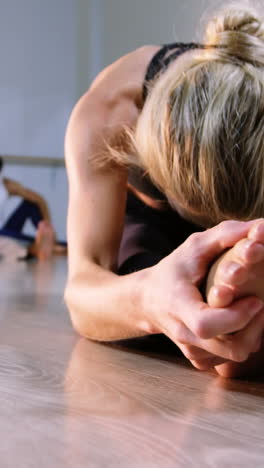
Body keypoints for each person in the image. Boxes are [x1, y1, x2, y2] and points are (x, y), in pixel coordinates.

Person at [64, 2, 264, 378]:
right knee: (131, 288)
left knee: (233, 318)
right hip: (151, 229)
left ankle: (233, 296)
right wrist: (146, 300)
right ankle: (228, 301)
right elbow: (81, 290)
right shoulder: (113, 108)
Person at [0, 157, 67, 260]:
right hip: (4, 235)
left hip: (5, 232)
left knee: (29, 204)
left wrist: (47, 228)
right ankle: (40, 247)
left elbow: (39, 200)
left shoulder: (7, 185)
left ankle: (46, 240)